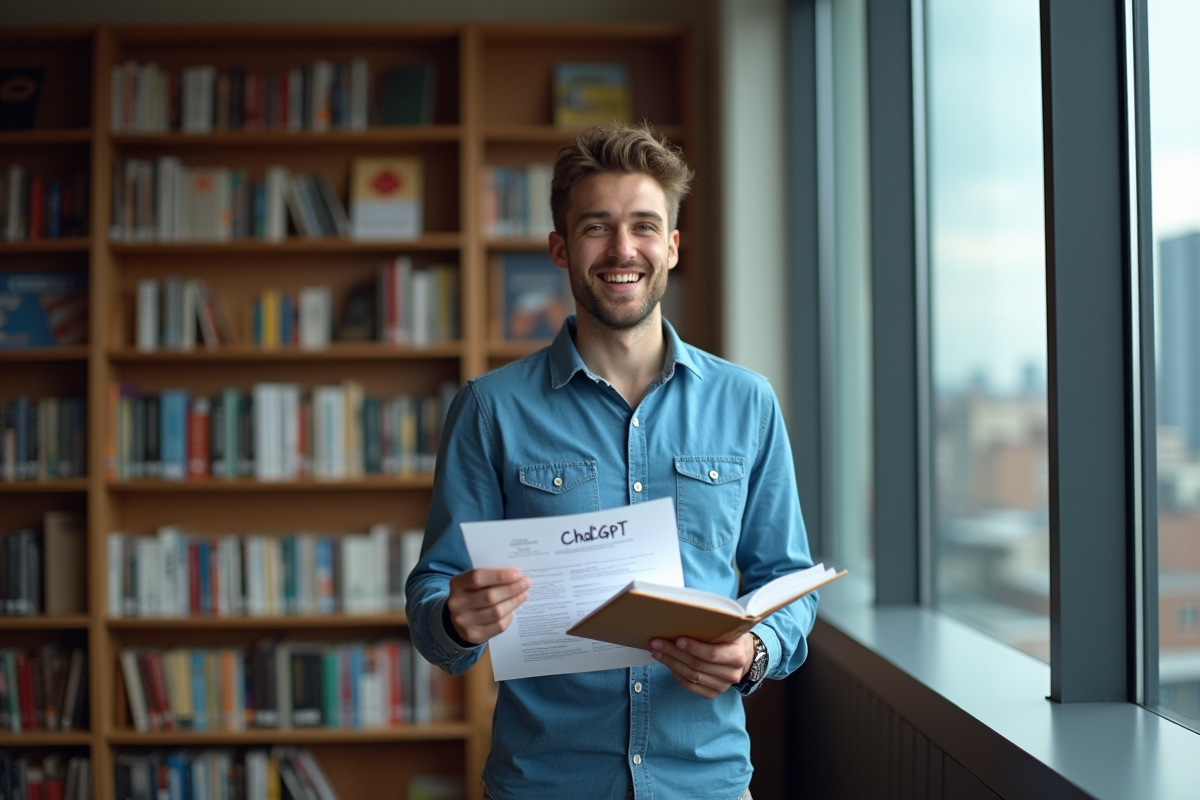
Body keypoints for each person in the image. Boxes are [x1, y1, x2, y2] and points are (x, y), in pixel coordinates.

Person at [406, 121, 817, 800]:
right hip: (545, 783)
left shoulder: (748, 402)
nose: (622, 249)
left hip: (704, 782)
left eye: (644, 226)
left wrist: (754, 651)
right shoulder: (489, 408)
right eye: (596, 227)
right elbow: (434, 590)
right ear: (561, 249)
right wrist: (453, 619)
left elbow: (787, 578)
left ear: (673, 248)